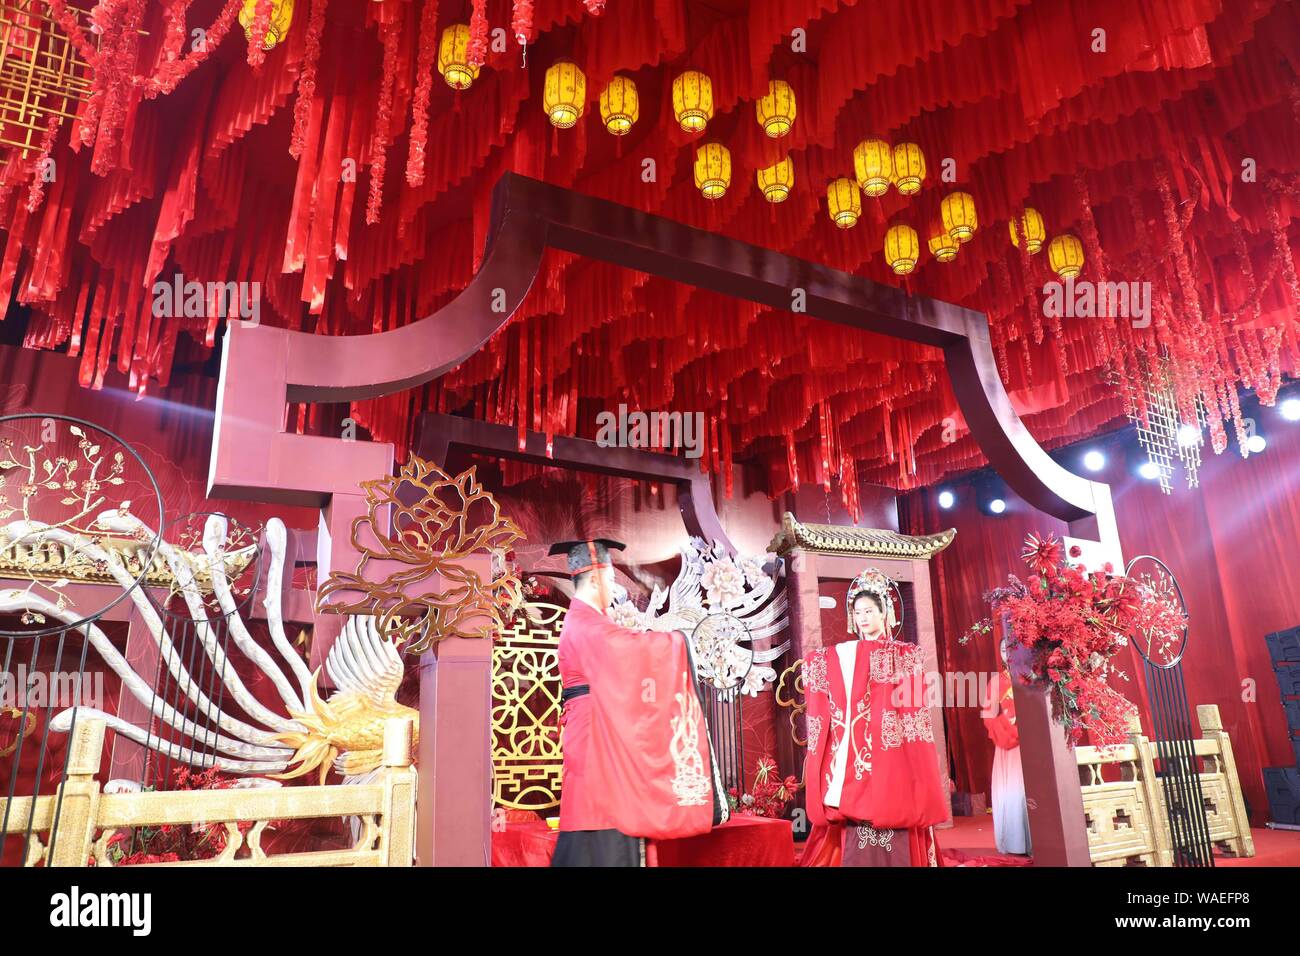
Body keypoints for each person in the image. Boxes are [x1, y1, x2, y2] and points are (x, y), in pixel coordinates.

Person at [550, 538, 727, 867]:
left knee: (595, 834)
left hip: (592, 738)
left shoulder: (586, 621)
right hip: (597, 748)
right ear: (598, 577)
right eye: (612, 579)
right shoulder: (587, 624)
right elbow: (627, 652)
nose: (614, 586)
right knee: (603, 834)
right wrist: (679, 641)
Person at [801, 569, 948, 866]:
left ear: (885, 613)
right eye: (858, 612)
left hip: (889, 738)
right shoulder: (843, 656)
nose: (863, 618)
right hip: (856, 742)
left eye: (869, 611)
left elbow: (911, 702)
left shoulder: (903, 653)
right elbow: (824, 671)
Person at [983, 638, 1031, 855]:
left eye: (1011, 649)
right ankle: (1015, 843)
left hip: (1032, 746)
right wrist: (1011, 734)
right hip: (1008, 747)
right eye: (1003, 650)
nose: (1007, 653)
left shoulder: (1031, 678)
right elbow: (989, 715)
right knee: (1013, 793)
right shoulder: (995, 683)